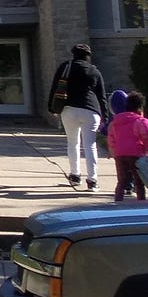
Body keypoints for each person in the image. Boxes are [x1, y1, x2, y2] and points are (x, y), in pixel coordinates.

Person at [49, 43, 108, 191]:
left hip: (69, 109)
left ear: (73, 54)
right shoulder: (94, 71)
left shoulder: (66, 67)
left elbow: (55, 87)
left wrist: (52, 107)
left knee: (73, 142)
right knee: (90, 145)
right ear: (88, 55)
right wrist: (105, 116)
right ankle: (92, 180)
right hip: (91, 110)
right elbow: (101, 96)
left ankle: (75, 175)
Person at [106, 90, 148, 202]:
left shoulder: (117, 121)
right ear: (140, 107)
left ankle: (118, 200)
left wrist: (112, 150)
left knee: (122, 180)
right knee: (139, 181)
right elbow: (147, 134)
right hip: (136, 153)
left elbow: (111, 136)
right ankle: (140, 201)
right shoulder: (140, 121)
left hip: (120, 154)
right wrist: (147, 149)